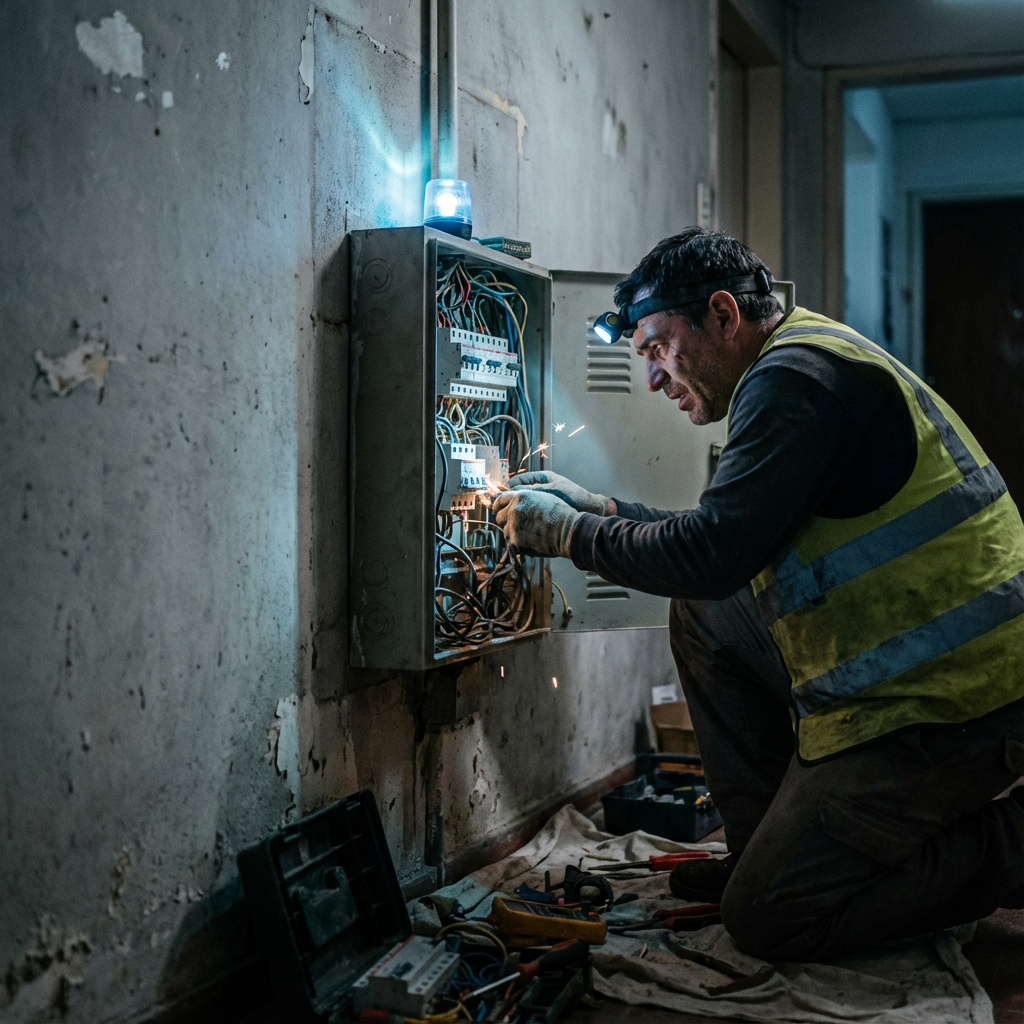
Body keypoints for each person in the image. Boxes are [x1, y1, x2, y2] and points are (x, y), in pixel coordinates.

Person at [492, 228, 1023, 961]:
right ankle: (764, 850)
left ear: (721, 314)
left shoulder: (795, 382)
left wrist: (568, 536)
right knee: (709, 612)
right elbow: (729, 542)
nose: (651, 378)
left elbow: (712, 553)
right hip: (906, 678)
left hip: (953, 702)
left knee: (772, 920)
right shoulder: (801, 360)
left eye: (655, 348)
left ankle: (1011, 844)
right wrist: (603, 513)